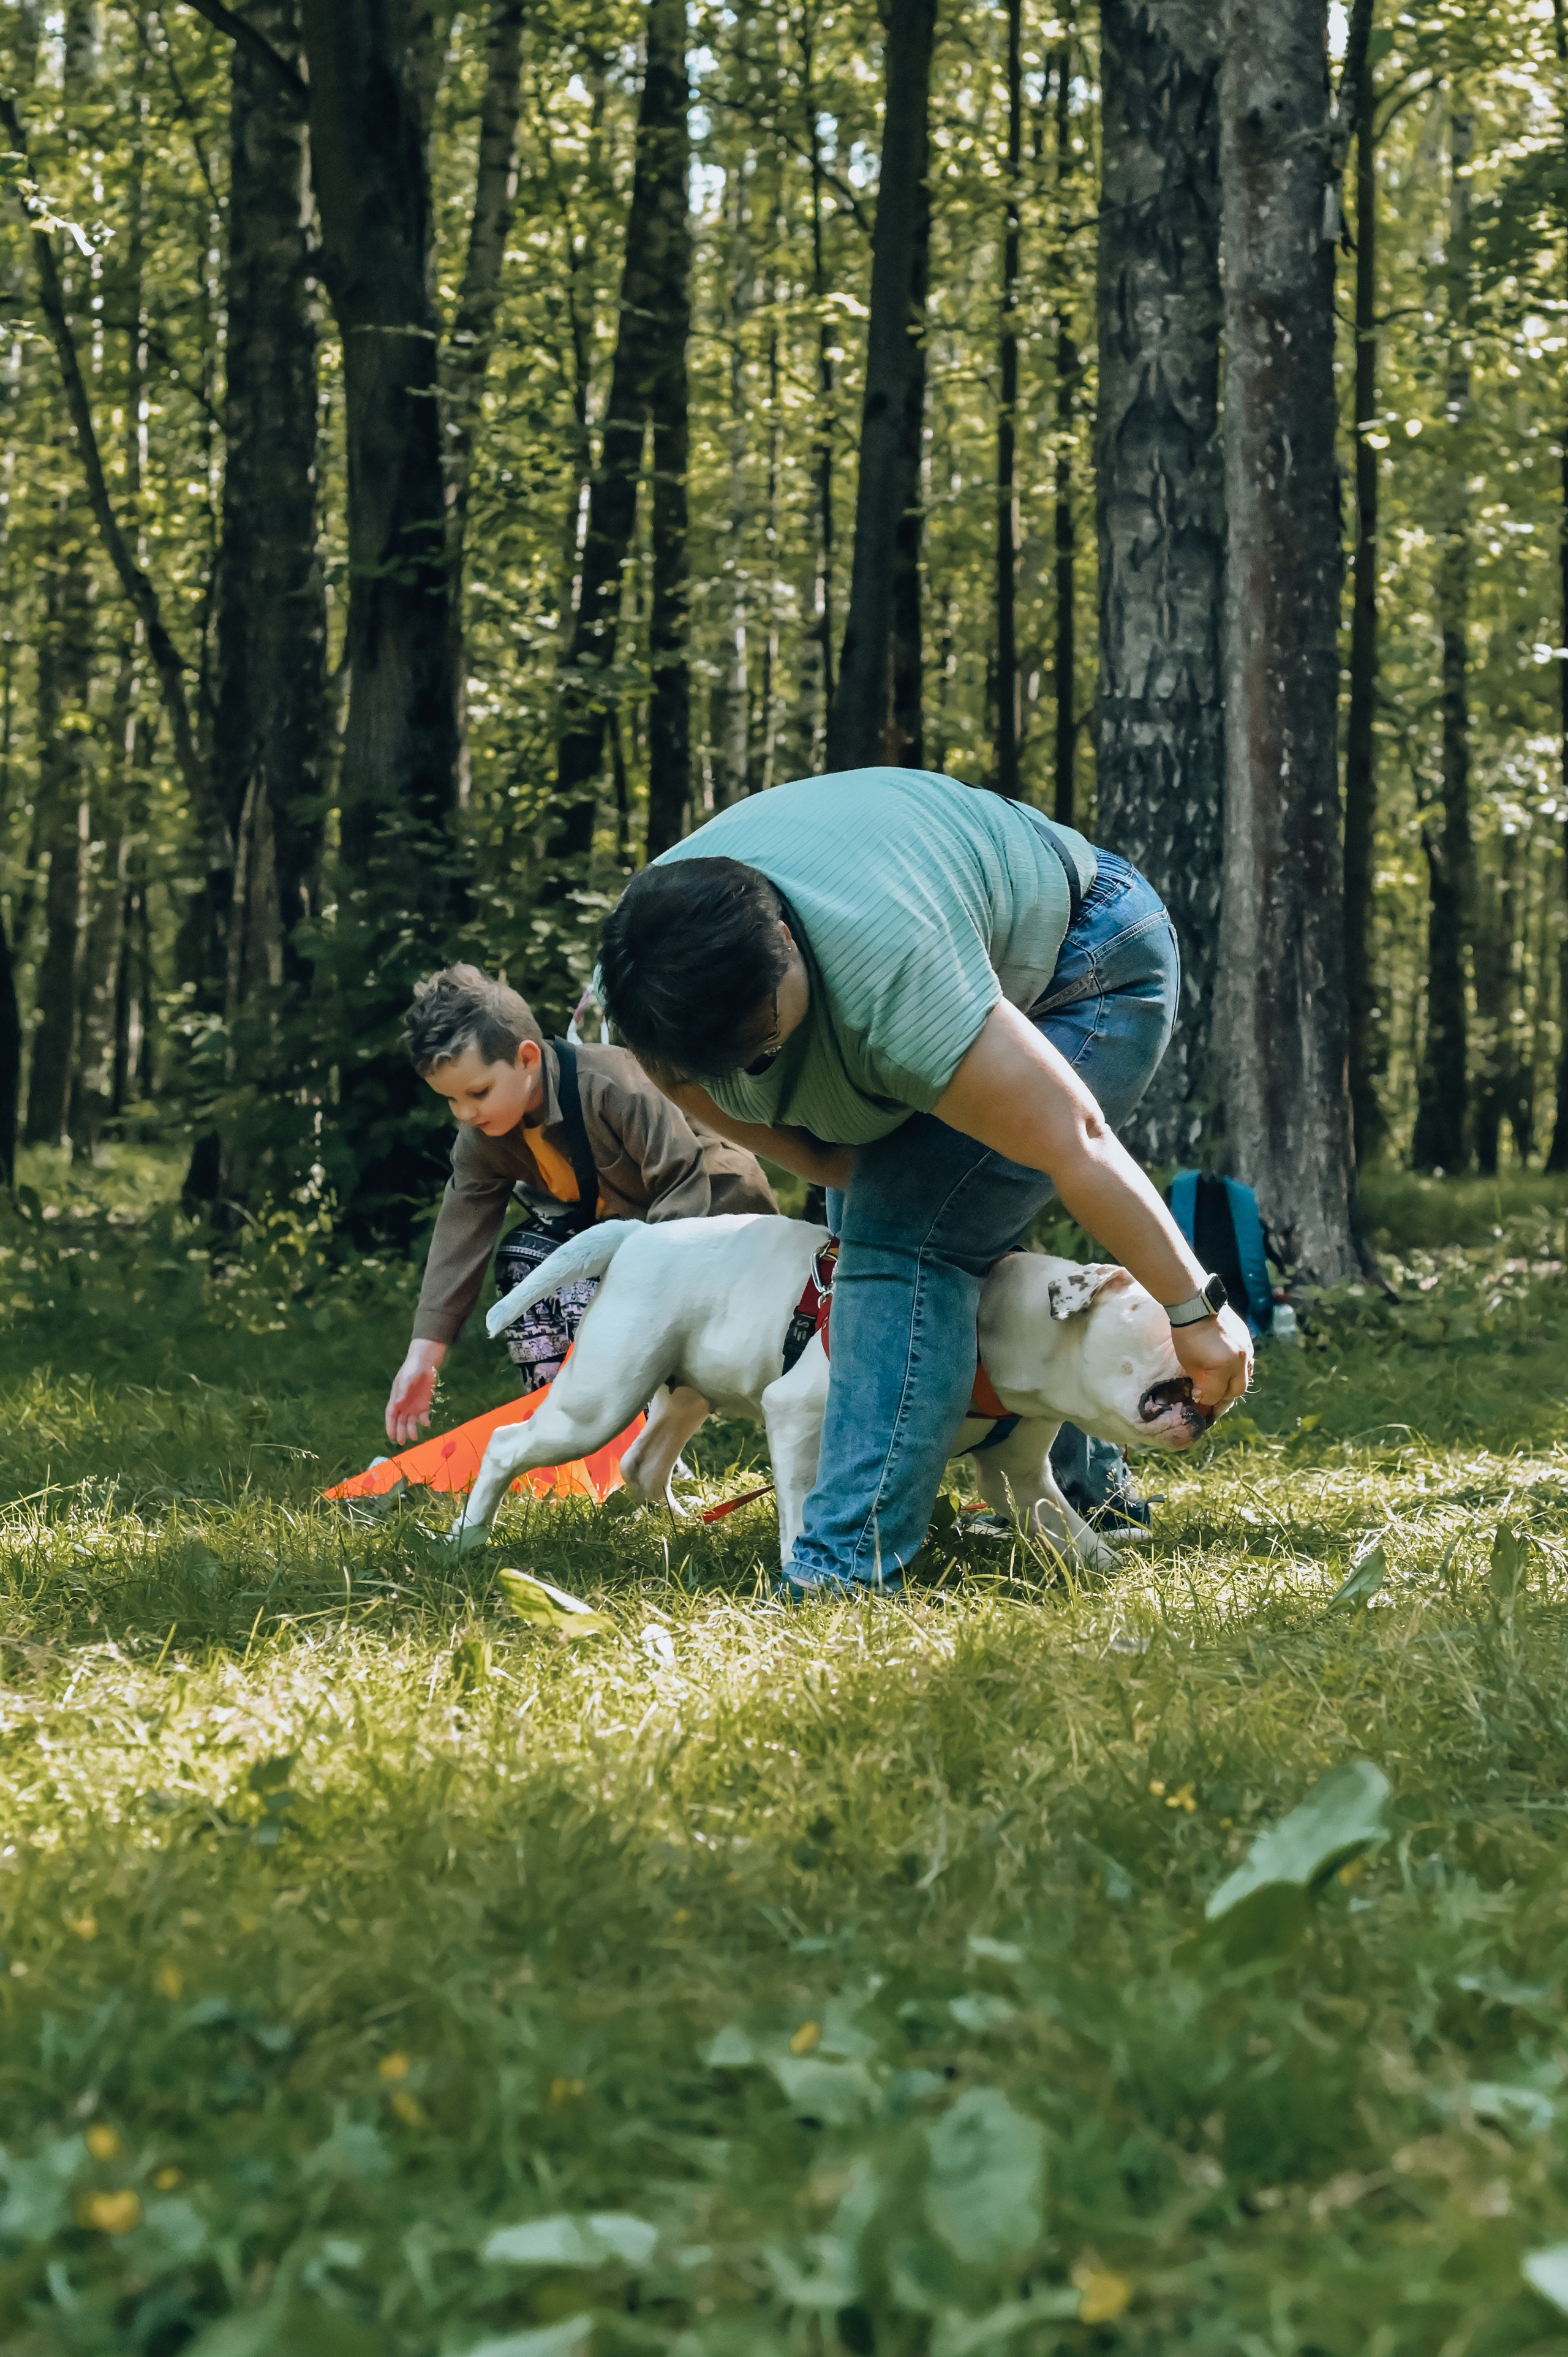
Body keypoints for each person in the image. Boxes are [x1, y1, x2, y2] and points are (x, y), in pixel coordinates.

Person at [596, 767, 1253, 1597]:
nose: (746, 1077)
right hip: (889, 1023)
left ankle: (847, 1571)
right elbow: (705, 1090)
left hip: (1086, 961)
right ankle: (1082, 1494)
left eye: (760, 1051)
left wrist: (1195, 1315)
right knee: (898, 1228)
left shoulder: (892, 966)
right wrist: (837, 1170)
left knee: (905, 1244)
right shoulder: (648, 976)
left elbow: (1075, 1142)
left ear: (789, 953)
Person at [384, 965, 775, 1446]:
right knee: (524, 1260)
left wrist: (637, 1297)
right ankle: (568, 1432)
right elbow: (459, 1235)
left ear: (527, 1059)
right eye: (451, 1101)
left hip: (715, 1226)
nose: (466, 1113)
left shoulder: (612, 1083)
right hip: (632, 1233)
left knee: (598, 1290)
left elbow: (682, 1182)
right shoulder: (484, 1138)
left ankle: (636, 1423)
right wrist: (424, 1357)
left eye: (478, 1093)